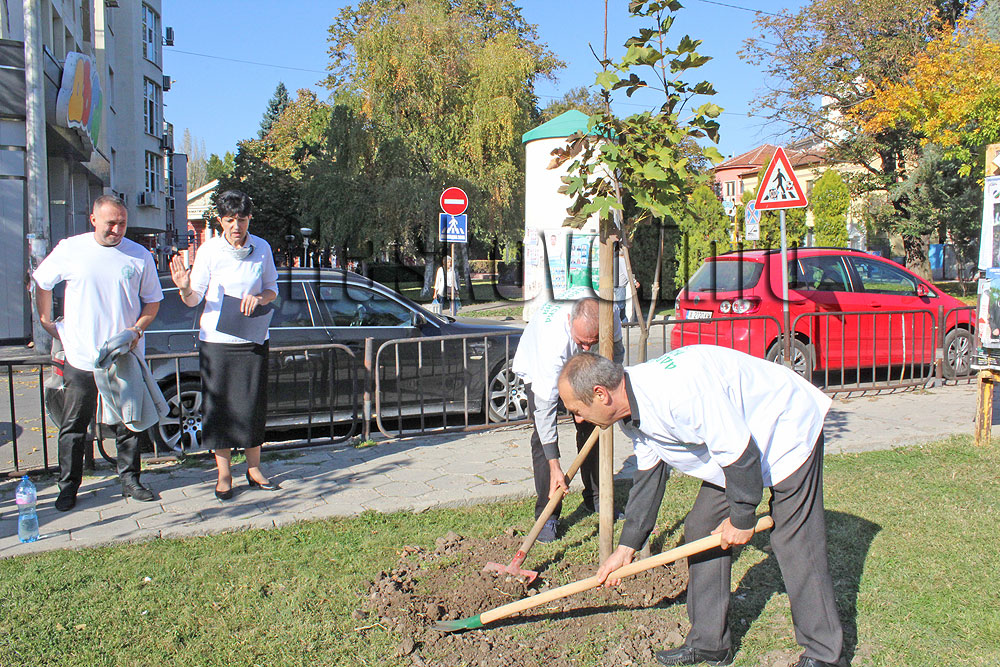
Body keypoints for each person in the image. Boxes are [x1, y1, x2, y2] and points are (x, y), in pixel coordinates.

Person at [558, 346, 844, 667]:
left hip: (784, 424)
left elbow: (741, 454)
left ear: (601, 394)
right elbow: (650, 475)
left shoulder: (677, 395)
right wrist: (627, 547)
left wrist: (742, 517)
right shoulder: (630, 411)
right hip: (737, 447)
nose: (578, 418)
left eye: (577, 409)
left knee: (795, 540)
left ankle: (824, 654)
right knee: (702, 528)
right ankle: (710, 643)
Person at [33, 195, 163, 511]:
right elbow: (42, 281)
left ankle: (130, 480)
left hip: (123, 357)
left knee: (128, 422)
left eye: (122, 223)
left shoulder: (139, 255)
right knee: (74, 426)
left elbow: (153, 301)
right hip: (82, 357)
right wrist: (46, 322)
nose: (117, 230)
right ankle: (68, 487)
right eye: (110, 223)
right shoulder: (71, 249)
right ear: (93, 220)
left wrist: (137, 329)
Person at [168, 190, 280, 500]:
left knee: (252, 404)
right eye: (230, 220)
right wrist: (184, 288)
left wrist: (259, 297)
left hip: (252, 338)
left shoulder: (262, 248)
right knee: (220, 408)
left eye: (241, 220)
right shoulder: (209, 250)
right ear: (220, 221)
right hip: (217, 342)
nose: (236, 226)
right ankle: (224, 473)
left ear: (249, 219)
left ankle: (254, 469)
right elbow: (194, 299)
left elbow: (272, 289)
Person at [511, 292, 625, 543]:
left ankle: (596, 498)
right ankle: (547, 514)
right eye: (582, 341)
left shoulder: (611, 314)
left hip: (582, 367)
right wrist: (555, 466)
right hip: (538, 364)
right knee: (542, 440)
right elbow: (545, 410)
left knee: (593, 425)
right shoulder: (553, 343)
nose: (587, 348)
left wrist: (599, 401)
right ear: (569, 321)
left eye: (592, 342)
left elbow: (617, 354)